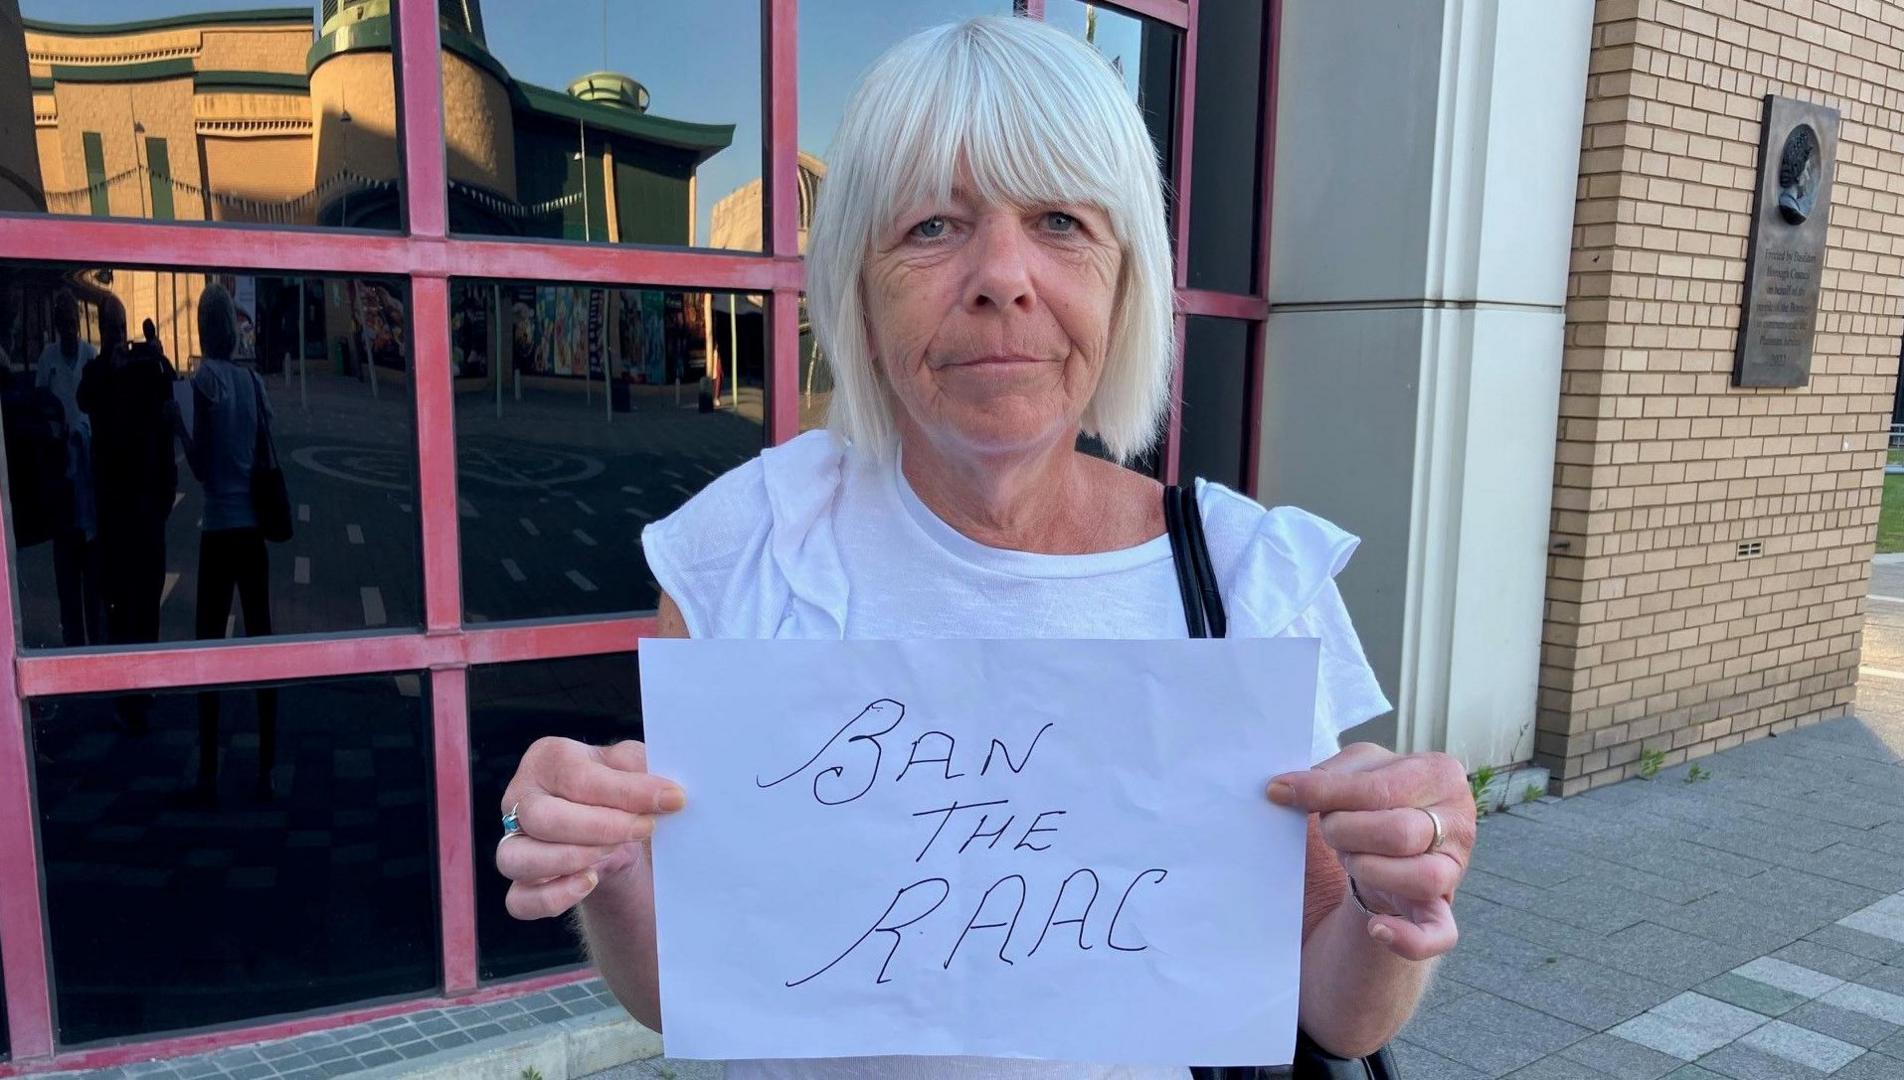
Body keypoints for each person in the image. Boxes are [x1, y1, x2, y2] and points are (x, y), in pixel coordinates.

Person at [497, 16, 1475, 1076]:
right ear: (860, 296)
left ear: (1124, 282)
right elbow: (683, 992)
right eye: (930, 227)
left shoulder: (1241, 575)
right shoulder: (750, 550)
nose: (1001, 275)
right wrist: (611, 863)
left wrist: (1393, 902)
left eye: (1059, 220)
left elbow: (1337, 1016)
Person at [183, 284, 278, 803]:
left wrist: (178, 427)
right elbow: (266, 454)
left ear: (204, 328)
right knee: (263, 639)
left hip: (218, 529)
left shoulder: (204, 383)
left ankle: (208, 771)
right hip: (253, 531)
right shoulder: (252, 383)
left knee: (207, 647)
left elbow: (200, 467)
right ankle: (266, 767)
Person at [78, 298, 179, 731]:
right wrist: (110, 366)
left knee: (146, 600)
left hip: (146, 506)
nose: (118, 336)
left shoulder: (141, 369)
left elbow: (169, 392)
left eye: (122, 328)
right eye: (111, 328)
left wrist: (156, 356)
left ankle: (146, 684)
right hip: (117, 511)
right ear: (101, 331)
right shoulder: (98, 373)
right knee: (121, 604)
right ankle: (127, 691)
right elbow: (84, 399)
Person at [35, 290, 104, 646]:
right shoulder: (47, 360)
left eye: (72, 324)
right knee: (67, 583)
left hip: (88, 476)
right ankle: (73, 647)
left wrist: (82, 432)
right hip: (61, 480)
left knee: (92, 586)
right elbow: (39, 408)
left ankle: (95, 649)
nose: (68, 331)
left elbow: (98, 410)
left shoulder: (90, 357)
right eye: (62, 325)